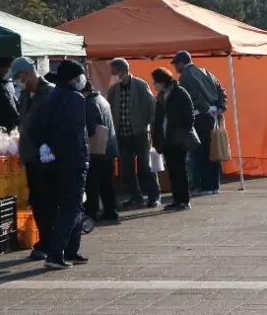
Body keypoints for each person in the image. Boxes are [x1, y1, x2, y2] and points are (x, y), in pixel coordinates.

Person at [32, 60, 89, 270]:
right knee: (71, 207)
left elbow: (36, 127)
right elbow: (75, 133)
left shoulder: (50, 97)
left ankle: (71, 250)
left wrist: (44, 147)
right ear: (73, 77)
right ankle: (56, 254)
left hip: (53, 162)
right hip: (73, 160)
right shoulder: (74, 98)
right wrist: (82, 158)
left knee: (71, 206)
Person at [11, 58, 56, 260]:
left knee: (47, 200)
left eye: (19, 77)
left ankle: (49, 241)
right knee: (37, 200)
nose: (19, 82)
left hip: (45, 157)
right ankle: (45, 239)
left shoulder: (49, 92)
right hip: (30, 157)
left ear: (28, 73)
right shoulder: (25, 95)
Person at [106, 58, 160, 209]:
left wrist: (149, 125)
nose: (112, 74)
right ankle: (136, 197)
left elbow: (152, 105)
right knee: (127, 168)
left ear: (122, 71)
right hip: (122, 135)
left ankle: (153, 196)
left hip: (140, 133)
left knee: (146, 166)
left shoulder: (140, 85)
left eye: (114, 71)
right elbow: (109, 109)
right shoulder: (113, 89)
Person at [171, 52, 227, 195]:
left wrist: (206, 108)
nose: (175, 67)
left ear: (182, 63)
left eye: (176, 64)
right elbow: (221, 91)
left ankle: (205, 186)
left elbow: (190, 98)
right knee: (214, 152)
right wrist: (219, 107)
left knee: (200, 154)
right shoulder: (206, 72)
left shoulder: (185, 77)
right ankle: (215, 185)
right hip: (214, 117)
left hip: (200, 118)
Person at [152, 67, 195, 211]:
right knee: (172, 171)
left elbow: (189, 116)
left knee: (180, 171)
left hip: (178, 139)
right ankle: (177, 200)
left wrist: (182, 132)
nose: (154, 85)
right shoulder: (161, 96)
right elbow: (157, 119)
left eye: (155, 82)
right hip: (166, 139)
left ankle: (184, 200)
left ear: (162, 81)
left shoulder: (180, 93)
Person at [82, 78, 120, 225]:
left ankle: (91, 212)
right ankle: (111, 211)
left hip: (97, 150)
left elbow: (90, 128)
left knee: (92, 184)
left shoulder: (88, 104)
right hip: (109, 147)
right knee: (107, 183)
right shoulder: (101, 99)